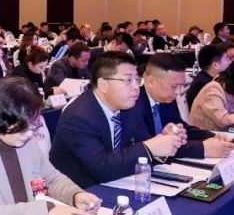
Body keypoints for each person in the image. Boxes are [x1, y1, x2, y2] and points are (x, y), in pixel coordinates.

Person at [0, 78, 102, 215]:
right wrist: (45, 212)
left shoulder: (24, 142)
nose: (30, 133)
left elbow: (50, 179)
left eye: (33, 124)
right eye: (23, 126)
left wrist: (74, 195)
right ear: (0, 119)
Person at [48, 52, 184, 187]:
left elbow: (139, 150)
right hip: (80, 190)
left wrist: (163, 142)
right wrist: (150, 147)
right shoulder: (79, 117)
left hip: (119, 181)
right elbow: (101, 169)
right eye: (128, 80)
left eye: (137, 80)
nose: (136, 86)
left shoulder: (129, 107)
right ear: (103, 84)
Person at [132, 53, 234, 159]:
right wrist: (203, 149)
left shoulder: (166, 98)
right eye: (174, 86)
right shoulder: (133, 105)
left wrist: (211, 136)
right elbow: (149, 148)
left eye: (182, 85)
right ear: (151, 82)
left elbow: (181, 127)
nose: (179, 92)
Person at [186, 43, 227, 108]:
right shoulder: (203, 85)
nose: (230, 62)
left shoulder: (210, 78)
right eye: (227, 59)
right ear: (215, 65)